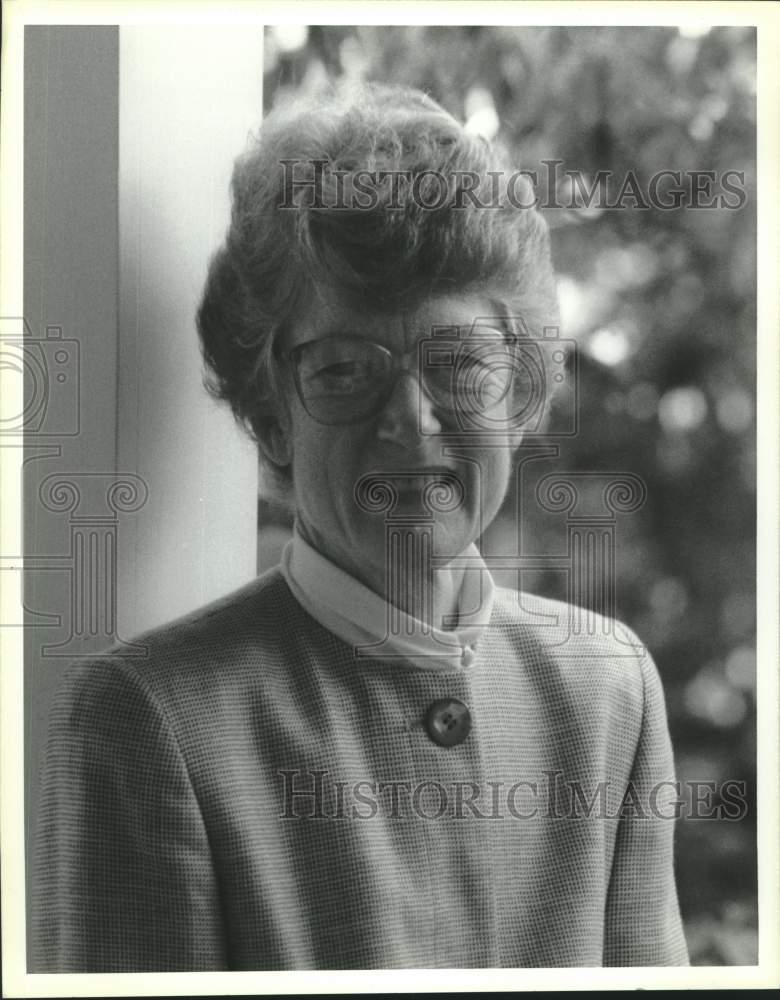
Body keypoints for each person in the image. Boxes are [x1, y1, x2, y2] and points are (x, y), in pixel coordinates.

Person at [31, 83, 689, 971]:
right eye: (344, 369)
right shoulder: (148, 724)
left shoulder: (610, 691)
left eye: (459, 363)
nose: (411, 421)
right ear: (271, 416)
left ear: (522, 393)